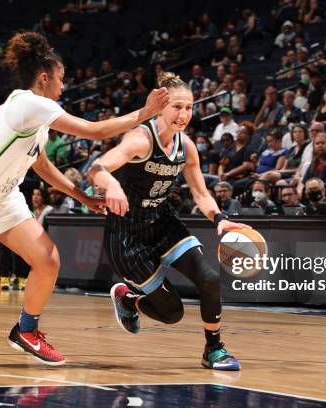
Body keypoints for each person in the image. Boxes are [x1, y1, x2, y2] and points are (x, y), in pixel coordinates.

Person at [0, 32, 169, 367]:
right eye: (61, 79)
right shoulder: (30, 104)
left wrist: (81, 195)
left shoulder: (35, 113)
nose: (63, 86)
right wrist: (146, 112)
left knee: (48, 260)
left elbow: (41, 164)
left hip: (2, 198)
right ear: (44, 78)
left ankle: (27, 331)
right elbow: (95, 131)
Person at [88, 72, 250, 371]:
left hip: (162, 221)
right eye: (177, 106)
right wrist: (111, 185)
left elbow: (201, 194)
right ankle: (129, 301)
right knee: (171, 313)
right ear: (161, 106)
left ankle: (213, 349)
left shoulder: (186, 147)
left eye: (188, 108)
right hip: (127, 233)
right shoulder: (140, 138)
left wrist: (221, 218)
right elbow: (96, 168)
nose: (183, 114)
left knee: (210, 278)